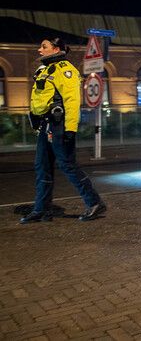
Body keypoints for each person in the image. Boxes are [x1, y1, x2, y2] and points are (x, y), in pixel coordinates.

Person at [22, 37, 107, 223]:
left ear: (56, 49)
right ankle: (42, 209)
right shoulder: (44, 70)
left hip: (58, 124)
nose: (39, 50)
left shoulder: (66, 70)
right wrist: (35, 120)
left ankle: (94, 202)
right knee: (42, 166)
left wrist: (70, 129)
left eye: (43, 46)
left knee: (67, 164)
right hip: (46, 123)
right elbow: (39, 99)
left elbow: (72, 101)